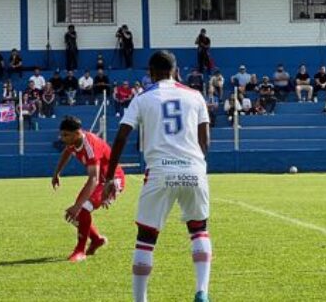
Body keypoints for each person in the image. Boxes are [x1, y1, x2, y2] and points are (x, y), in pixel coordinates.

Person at [103, 50, 212, 302]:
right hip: (194, 169)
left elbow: (121, 137)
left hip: (160, 171)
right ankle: (202, 292)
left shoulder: (143, 98)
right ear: (175, 71)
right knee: (199, 230)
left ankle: (140, 300)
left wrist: (109, 177)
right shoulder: (196, 96)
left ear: (150, 73)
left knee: (146, 238)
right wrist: (193, 164)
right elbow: (205, 141)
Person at [51, 116, 126, 263]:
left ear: (78, 133)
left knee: (82, 209)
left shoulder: (90, 145)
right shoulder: (73, 142)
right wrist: (57, 172)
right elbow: (67, 152)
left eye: (65, 135)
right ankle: (97, 240)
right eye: (62, 134)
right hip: (99, 180)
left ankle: (80, 251)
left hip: (111, 181)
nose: (62, 138)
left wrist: (77, 206)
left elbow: (94, 178)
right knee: (77, 214)